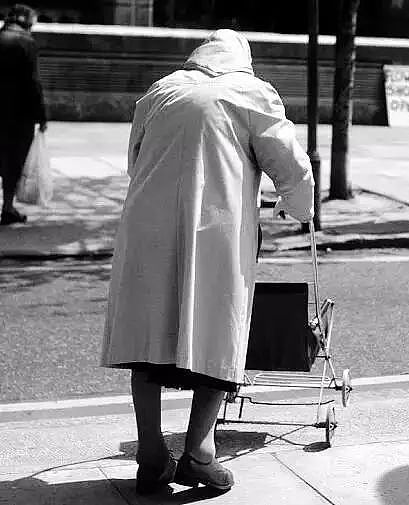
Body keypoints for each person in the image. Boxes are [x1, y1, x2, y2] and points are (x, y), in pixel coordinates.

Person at [101, 29, 314, 495]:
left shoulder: (161, 90)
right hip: (216, 229)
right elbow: (291, 166)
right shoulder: (250, 92)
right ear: (243, 60)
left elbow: (135, 158)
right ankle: (199, 452)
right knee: (218, 332)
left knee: (147, 338)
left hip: (146, 226)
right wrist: (300, 208)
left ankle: (151, 455)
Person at [0, 4, 47, 226]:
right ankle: (7, 207)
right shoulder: (27, 43)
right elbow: (33, 83)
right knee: (12, 161)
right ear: (26, 20)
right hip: (18, 115)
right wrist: (42, 115)